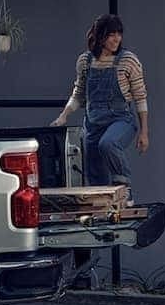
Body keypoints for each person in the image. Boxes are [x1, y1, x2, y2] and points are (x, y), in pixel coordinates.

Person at [49, 14, 150, 187]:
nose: (117, 39)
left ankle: (124, 189)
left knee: (108, 144)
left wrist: (144, 132)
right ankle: (103, 202)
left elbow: (140, 97)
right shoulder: (85, 61)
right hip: (93, 124)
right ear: (100, 36)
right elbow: (79, 93)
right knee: (95, 177)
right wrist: (63, 116)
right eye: (111, 34)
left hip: (121, 120)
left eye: (119, 34)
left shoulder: (128, 61)